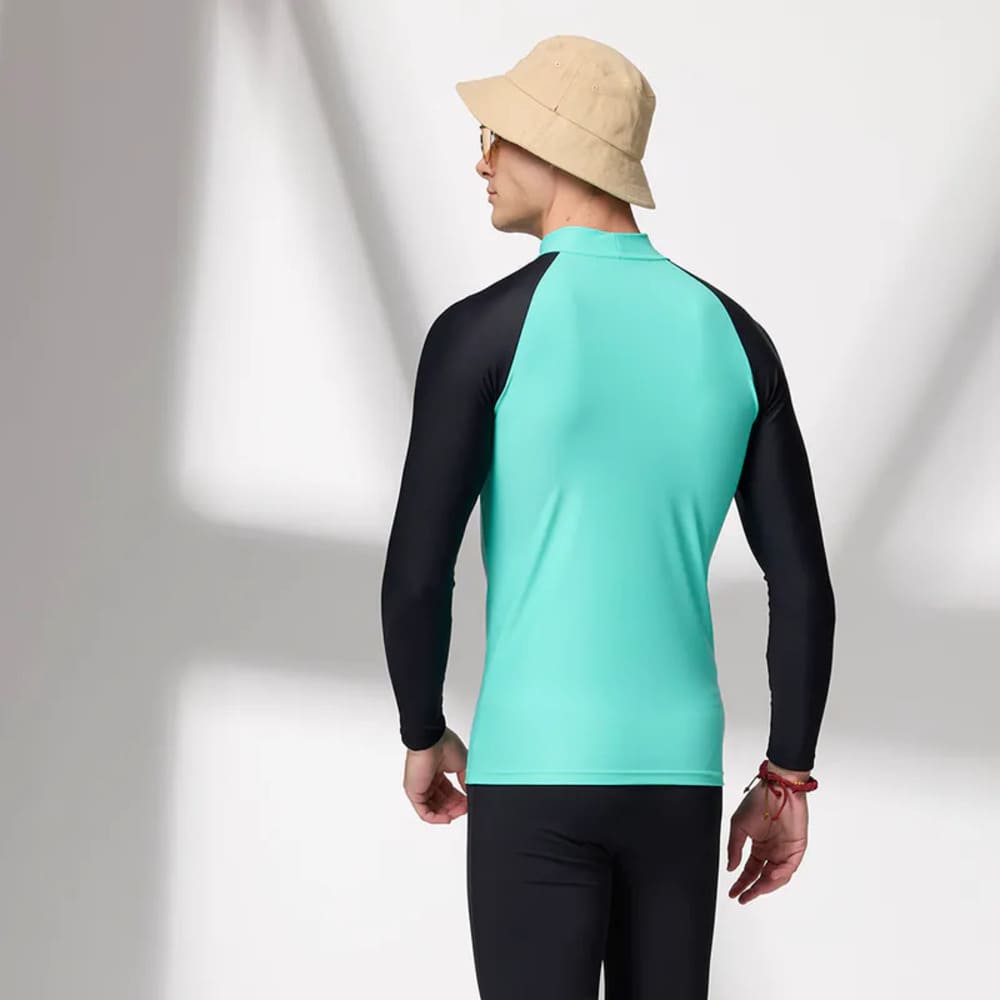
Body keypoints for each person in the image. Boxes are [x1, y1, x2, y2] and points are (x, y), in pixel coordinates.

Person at [380, 33, 835, 1000]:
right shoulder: (737, 338)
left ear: (555, 144)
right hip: (676, 780)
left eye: (495, 136)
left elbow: (419, 573)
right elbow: (801, 583)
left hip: (532, 771)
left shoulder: (480, 333)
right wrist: (787, 777)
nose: (481, 160)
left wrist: (423, 729)